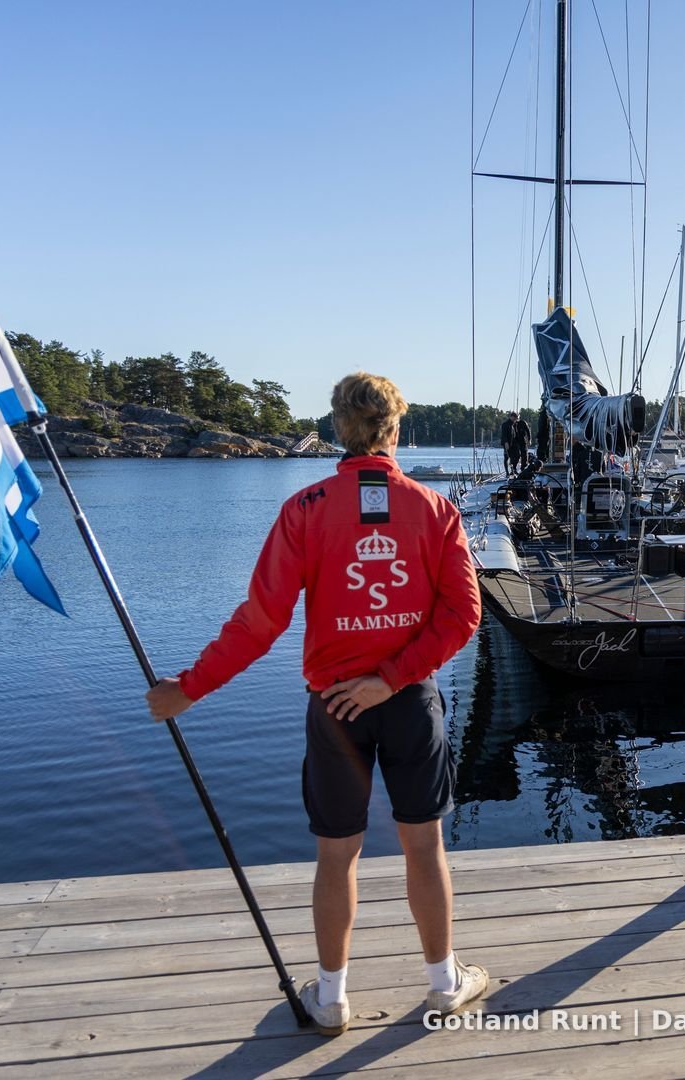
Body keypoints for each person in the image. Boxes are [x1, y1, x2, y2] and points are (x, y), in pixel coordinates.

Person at [145, 372, 489, 1034]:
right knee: (424, 846)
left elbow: (259, 622)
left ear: (338, 428)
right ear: (395, 430)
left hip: (334, 707)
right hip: (409, 699)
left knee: (337, 854)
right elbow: (462, 615)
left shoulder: (304, 509)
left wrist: (187, 689)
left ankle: (330, 999)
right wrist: (392, 677)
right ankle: (444, 984)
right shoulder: (434, 509)